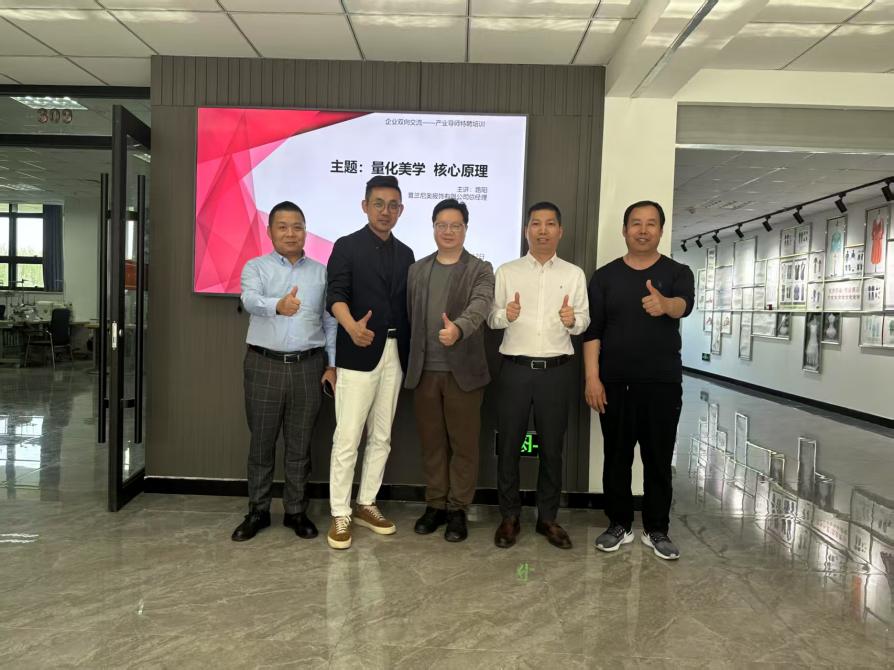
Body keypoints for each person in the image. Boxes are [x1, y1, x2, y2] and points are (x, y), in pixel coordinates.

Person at [584, 200, 694, 560]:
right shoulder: (604, 277)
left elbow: (684, 305)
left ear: (661, 230)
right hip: (614, 383)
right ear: (624, 230)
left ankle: (656, 529)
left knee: (658, 459)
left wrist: (666, 305)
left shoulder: (678, 272)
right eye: (636, 223)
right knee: (616, 457)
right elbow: (592, 332)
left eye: (650, 224)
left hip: (662, 384)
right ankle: (619, 524)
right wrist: (592, 378)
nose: (643, 230)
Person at [232, 201, 337, 542]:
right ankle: (258, 511)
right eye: (283, 226)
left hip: (308, 367)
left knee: (299, 445)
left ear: (305, 231)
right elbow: (249, 299)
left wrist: (332, 364)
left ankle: (295, 511)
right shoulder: (256, 267)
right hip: (264, 365)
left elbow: (329, 322)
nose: (291, 233)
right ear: (270, 231)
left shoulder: (321, 273)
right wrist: (277, 305)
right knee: (261, 443)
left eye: (297, 226)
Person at [487, 201, 589, 550]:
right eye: (536, 224)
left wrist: (573, 321)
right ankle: (509, 517)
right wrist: (507, 314)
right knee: (509, 447)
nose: (542, 230)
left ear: (560, 231)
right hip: (515, 370)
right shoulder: (507, 271)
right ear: (526, 230)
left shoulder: (573, 274)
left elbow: (584, 321)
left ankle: (548, 518)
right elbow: (491, 319)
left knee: (552, 449)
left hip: (556, 373)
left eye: (549, 224)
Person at [325, 175, 415, 550]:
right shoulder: (346, 246)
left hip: (396, 352)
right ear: (365, 206)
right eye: (378, 203)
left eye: (393, 205)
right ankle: (340, 511)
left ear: (401, 210)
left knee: (382, 435)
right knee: (348, 436)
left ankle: (366, 503)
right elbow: (335, 295)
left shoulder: (407, 254)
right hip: (358, 351)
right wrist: (351, 327)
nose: (385, 211)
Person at [405, 199, 495, 542]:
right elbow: (411, 317)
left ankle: (458, 509)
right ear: (433, 228)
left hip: (463, 375)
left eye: (455, 225)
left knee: (464, 445)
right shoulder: (417, 270)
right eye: (441, 225)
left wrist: (458, 329)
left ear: (465, 229)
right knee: (432, 444)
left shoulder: (480, 269)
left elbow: (481, 305)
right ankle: (435, 505)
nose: (448, 231)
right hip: (424, 371)